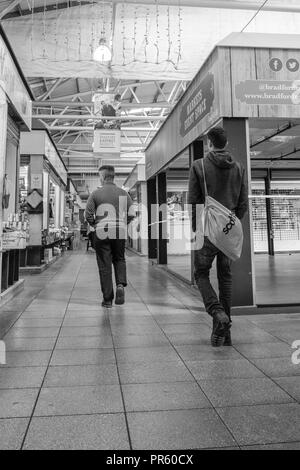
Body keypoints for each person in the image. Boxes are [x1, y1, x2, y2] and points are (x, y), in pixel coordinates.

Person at [188, 126, 248, 347]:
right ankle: (225, 334)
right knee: (226, 276)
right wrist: (230, 224)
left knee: (201, 273)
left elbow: (193, 201)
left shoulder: (199, 165)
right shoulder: (239, 168)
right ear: (226, 143)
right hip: (228, 231)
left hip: (206, 231)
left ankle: (217, 313)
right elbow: (243, 202)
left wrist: (196, 229)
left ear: (209, 144)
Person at [85, 165, 135, 308]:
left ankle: (107, 300)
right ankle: (120, 284)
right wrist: (123, 223)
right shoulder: (123, 193)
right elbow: (132, 213)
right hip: (119, 230)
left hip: (101, 231)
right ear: (113, 177)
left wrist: (95, 225)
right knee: (119, 258)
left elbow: (88, 214)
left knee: (104, 265)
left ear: (102, 177)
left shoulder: (95, 194)